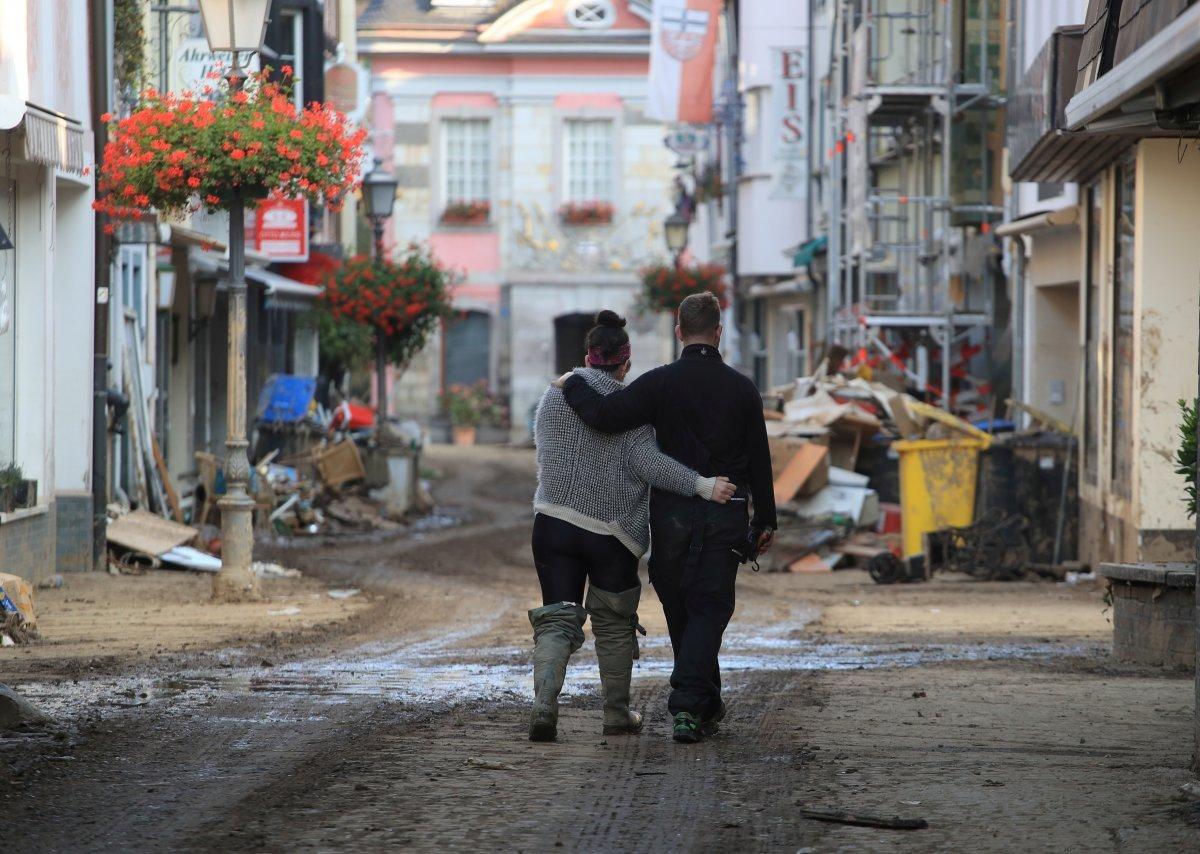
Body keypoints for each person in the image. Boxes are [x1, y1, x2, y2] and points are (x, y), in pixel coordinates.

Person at [555, 292, 776, 743]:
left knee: (682, 608)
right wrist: (765, 521)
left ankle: (705, 701)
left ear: (679, 332)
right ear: (718, 331)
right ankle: (688, 707)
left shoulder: (659, 384)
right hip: (725, 513)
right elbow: (760, 460)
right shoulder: (742, 388)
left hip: (671, 516)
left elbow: (603, 416)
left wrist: (571, 382)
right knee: (711, 608)